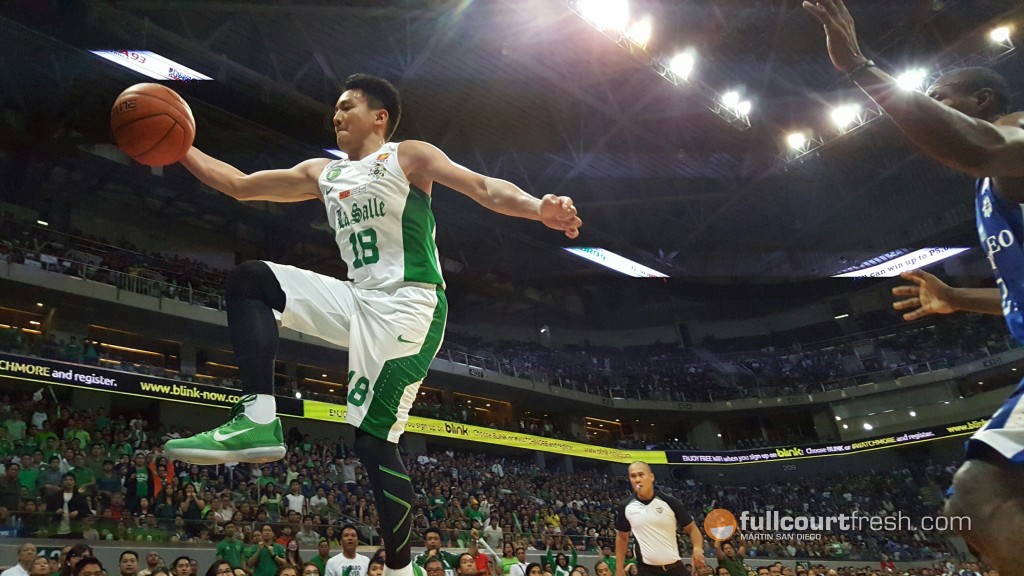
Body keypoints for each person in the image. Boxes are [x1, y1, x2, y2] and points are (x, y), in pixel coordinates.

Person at [165, 72, 581, 576]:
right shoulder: (324, 173)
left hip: (410, 305)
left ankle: (401, 570)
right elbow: (238, 185)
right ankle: (257, 418)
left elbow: (485, 188)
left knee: (371, 442)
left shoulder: (408, 156)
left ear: (379, 117)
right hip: (359, 297)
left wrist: (539, 208)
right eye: (336, 108)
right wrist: (179, 146)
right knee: (251, 281)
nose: (336, 115)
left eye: (348, 106)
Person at [801, 0, 1024, 572]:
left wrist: (859, 68)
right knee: (972, 504)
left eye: (941, 96)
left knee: (977, 498)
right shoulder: (991, 188)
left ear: (982, 102)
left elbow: (977, 146)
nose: (932, 105)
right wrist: (956, 298)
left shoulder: (1014, 137)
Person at [614, 462, 704, 576]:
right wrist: (619, 567)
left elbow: (692, 528)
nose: (637, 480)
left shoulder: (670, 502)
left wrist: (697, 548)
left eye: (641, 475)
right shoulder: (626, 506)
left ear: (651, 477)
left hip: (675, 568)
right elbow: (622, 537)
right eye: (633, 476)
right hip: (646, 571)